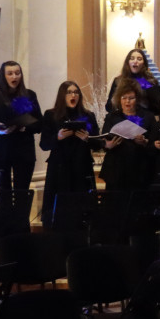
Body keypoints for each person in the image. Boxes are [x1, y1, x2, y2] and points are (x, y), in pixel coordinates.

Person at [39, 81, 97, 223]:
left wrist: (87, 139)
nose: (73, 95)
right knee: (59, 210)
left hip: (81, 166)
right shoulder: (51, 115)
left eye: (76, 92)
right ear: (62, 95)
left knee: (81, 209)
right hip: (59, 167)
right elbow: (44, 144)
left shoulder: (88, 115)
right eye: (69, 92)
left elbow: (97, 143)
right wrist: (58, 137)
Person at [0, 61, 42, 192]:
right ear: (3, 76)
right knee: (3, 195)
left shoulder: (29, 95)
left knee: (22, 194)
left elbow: (39, 123)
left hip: (23, 151)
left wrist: (25, 127)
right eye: (10, 73)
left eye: (17, 73)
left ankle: (20, 213)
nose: (14, 77)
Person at [100, 79, 156, 192]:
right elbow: (103, 139)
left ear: (137, 99)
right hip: (116, 169)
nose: (127, 101)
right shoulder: (112, 117)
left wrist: (145, 142)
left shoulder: (148, 117)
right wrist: (108, 145)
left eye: (131, 98)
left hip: (139, 169)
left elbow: (154, 142)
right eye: (124, 98)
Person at [106, 49, 160, 115]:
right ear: (127, 62)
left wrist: (146, 86)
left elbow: (158, 109)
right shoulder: (118, 81)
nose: (135, 61)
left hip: (144, 121)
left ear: (144, 63)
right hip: (122, 119)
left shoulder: (150, 82)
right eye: (132, 58)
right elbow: (109, 107)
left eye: (139, 59)